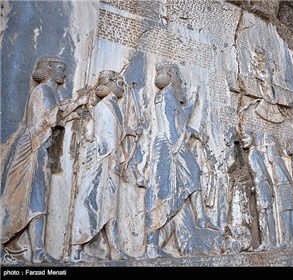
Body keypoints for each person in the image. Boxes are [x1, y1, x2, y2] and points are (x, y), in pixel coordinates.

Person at [1, 55, 87, 264]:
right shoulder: (43, 91)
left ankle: (38, 251)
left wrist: (73, 114)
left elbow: (54, 119)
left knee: (37, 201)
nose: (64, 73)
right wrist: (76, 103)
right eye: (60, 68)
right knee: (20, 200)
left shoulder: (52, 92)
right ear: (48, 70)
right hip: (31, 147)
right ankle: (15, 242)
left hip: (41, 148)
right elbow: (48, 119)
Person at [141, 63, 218, 259]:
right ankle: (153, 244)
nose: (180, 80)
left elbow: (180, 120)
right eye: (177, 75)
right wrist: (177, 148)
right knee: (164, 190)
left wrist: (192, 103)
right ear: (170, 74)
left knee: (179, 185)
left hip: (169, 144)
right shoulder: (167, 95)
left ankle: (199, 220)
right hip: (169, 145)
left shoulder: (167, 96)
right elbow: (170, 126)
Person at [70, 70, 134, 262]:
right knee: (91, 201)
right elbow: (107, 137)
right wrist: (115, 160)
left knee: (109, 204)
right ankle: (76, 248)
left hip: (108, 157)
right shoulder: (105, 106)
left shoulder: (112, 105)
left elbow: (114, 131)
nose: (123, 86)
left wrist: (129, 131)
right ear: (111, 84)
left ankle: (115, 248)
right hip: (103, 159)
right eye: (120, 82)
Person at [242, 131, 277, 251]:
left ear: (253, 138)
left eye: (246, 137)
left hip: (261, 186)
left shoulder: (254, 153)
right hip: (261, 185)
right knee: (267, 213)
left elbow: (263, 172)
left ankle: (267, 243)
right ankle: (271, 242)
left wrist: (269, 186)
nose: (243, 140)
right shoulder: (254, 153)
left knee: (264, 213)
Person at [265, 134, 293, 248]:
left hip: (284, 187)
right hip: (281, 186)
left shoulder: (277, 159)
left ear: (274, 147)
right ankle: (291, 239)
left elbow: (286, 172)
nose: (267, 148)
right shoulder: (275, 160)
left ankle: (291, 240)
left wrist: (292, 185)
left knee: (288, 213)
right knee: (287, 213)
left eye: (269, 146)